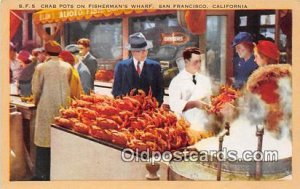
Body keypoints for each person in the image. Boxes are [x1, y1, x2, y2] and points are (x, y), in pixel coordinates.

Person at [31, 40, 72, 181]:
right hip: (63, 108)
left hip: (46, 107)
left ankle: (41, 176)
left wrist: (36, 103)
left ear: (46, 53)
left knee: (43, 142)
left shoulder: (41, 68)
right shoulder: (67, 67)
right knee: (59, 141)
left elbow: (36, 90)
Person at [246, 40, 291, 135]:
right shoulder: (282, 78)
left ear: (264, 58)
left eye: (256, 56)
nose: (254, 60)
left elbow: (264, 112)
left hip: (269, 134)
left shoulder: (265, 82)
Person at [112, 32, 164, 105]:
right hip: (127, 110)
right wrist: (124, 106)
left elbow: (160, 91)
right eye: (140, 51)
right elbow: (116, 91)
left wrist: (156, 105)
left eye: (145, 50)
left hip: (150, 111)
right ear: (133, 52)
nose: (144, 53)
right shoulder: (121, 66)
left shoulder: (155, 66)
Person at [169, 47, 212, 131]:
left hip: (205, 126)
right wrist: (194, 104)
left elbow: (210, 100)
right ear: (186, 62)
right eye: (195, 62)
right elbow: (174, 105)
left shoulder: (205, 80)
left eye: (200, 61)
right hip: (186, 127)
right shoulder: (176, 81)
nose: (199, 65)